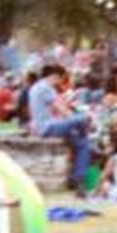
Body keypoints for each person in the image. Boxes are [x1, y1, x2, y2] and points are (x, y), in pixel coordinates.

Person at [28, 65, 92, 194]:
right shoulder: (46, 87)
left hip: (43, 126)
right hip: (48, 127)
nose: (61, 82)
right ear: (55, 76)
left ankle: (78, 180)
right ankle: (79, 179)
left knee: (83, 143)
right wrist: (77, 119)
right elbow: (63, 110)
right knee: (84, 117)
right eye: (61, 79)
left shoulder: (35, 87)